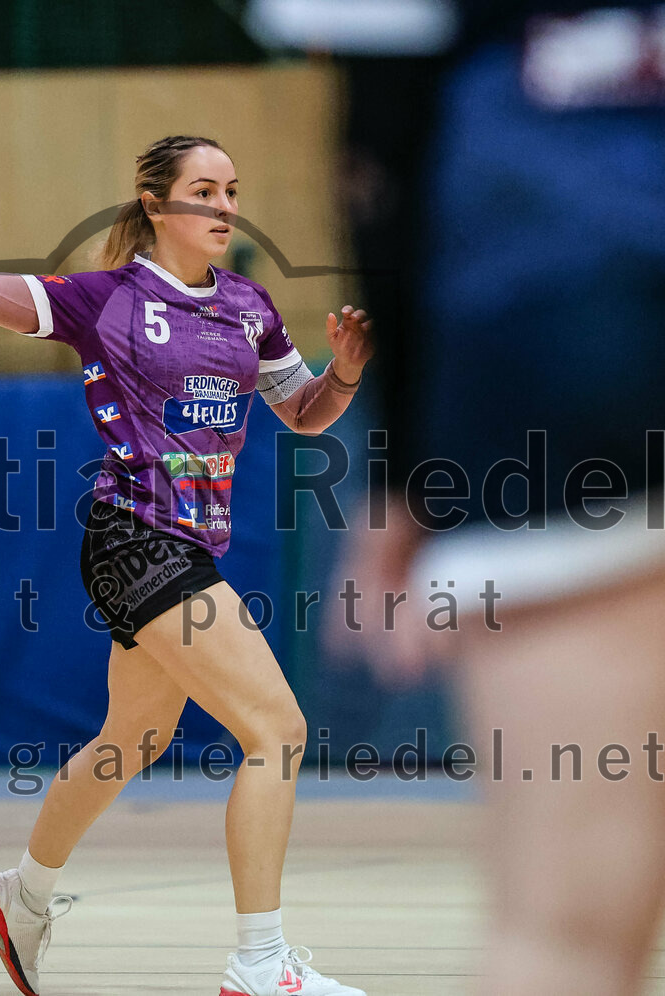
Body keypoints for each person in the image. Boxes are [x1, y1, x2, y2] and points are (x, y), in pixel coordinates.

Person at [0, 132, 373, 996]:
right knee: (277, 730)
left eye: (231, 191)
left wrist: (347, 376)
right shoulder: (106, 301)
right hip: (138, 536)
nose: (224, 207)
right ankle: (260, 965)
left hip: (182, 546)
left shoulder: (250, 307)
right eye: (205, 192)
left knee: (131, 740)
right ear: (156, 204)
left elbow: (304, 413)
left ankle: (20, 895)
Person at [320, 3, 665, 993]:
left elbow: (382, 144)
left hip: (575, 295)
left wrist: (401, 471)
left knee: (562, 941)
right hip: (580, 306)